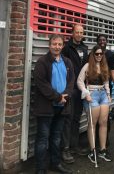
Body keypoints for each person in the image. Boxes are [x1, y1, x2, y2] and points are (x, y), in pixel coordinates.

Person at [33, 34, 74, 174]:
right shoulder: (42, 62)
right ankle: (40, 168)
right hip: (46, 107)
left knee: (56, 138)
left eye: (59, 44)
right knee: (43, 139)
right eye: (54, 44)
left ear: (63, 46)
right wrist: (58, 97)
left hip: (62, 107)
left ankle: (55, 164)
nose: (57, 47)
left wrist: (65, 97)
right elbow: (42, 84)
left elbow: (71, 82)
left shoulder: (67, 62)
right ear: (49, 45)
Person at [77, 45, 112, 163]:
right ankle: (92, 151)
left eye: (101, 54)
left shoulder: (104, 66)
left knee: (103, 123)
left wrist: (108, 94)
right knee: (92, 123)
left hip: (103, 95)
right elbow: (80, 81)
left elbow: (106, 81)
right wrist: (85, 93)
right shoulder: (87, 66)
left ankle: (103, 150)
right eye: (96, 54)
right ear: (93, 54)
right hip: (92, 95)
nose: (99, 56)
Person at [61, 24, 88, 163]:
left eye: (81, 32)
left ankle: (74, 145)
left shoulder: (85, 48)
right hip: (70, 88)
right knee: (68, 119)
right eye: (76, 32)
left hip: (81, 88)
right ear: (72, 33)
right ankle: (65, 149)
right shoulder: (66, 48)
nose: (79, 34)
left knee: (77, 117)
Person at [96, 34, 114, 147]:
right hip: (95, 88)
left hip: (107, 87)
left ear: (106, 42)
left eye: (104, 40)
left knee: (105, 115)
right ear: (97, 42)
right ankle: (97, 139)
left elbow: (113, 69)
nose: (102, 41)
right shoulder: (94, 52)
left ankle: (106, 138)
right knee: (97, 115)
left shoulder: (110, 54)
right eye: (100, 40)